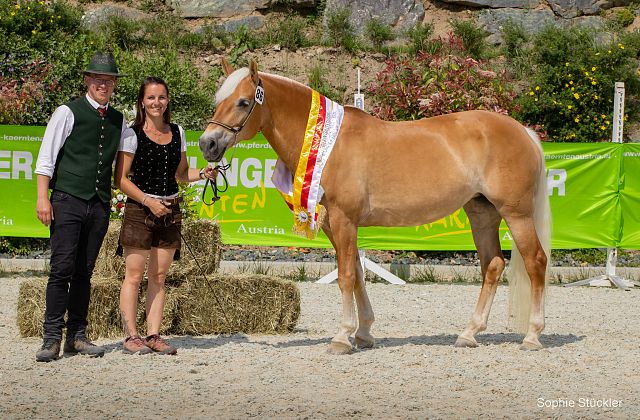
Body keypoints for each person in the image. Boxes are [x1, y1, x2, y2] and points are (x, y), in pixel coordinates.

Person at [34, 52, 129, 362]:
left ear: (114, 84)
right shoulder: (67, 112)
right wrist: (42, 197)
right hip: (67, 199)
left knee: (84, 273)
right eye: (99, 79)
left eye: (109, 80)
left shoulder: (119, 119)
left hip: (99, 203)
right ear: (87, 80)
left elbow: (132, 151)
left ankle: (77, 335)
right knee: (61, 269)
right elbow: (46, 158)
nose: (104, 84)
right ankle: (51, 338)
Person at [114, 76, 217, 355]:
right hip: (140, 210)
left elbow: (181, 175)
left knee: (159, 276)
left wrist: (203, 174)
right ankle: (131, 337)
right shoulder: (131, 134)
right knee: (134, 276)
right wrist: (149, 201)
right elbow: (121, 180)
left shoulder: (178, 132)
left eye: (161, 97)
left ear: (167, 100)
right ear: (142, 102)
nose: (156, 102)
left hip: (170, 211)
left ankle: (153, 335)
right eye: (151, 98)